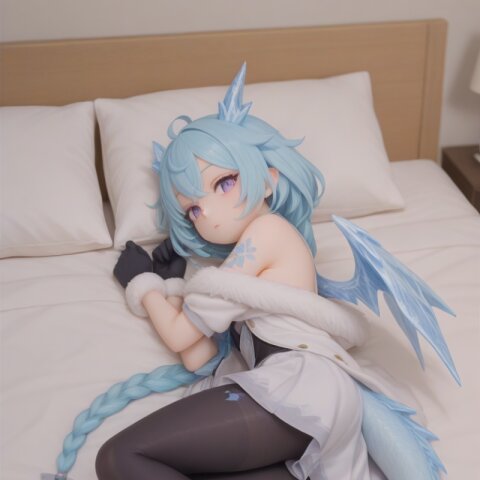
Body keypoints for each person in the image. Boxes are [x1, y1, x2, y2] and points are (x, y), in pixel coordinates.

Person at [95, 64, 451, 480]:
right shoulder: (240, 273)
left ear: (267, 181)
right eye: (193, 209)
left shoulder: (267, 232)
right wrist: (174, 286)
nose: (208, 211)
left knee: (119, 456)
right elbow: (197, 357)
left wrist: (145, 286)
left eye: (224, 183)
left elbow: (179, 333)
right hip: (298, 404)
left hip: (302, 392)